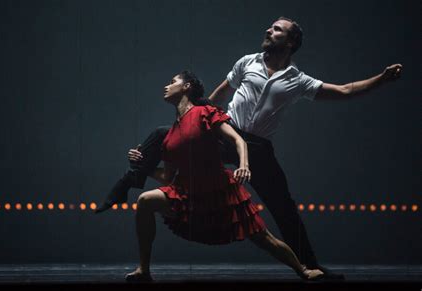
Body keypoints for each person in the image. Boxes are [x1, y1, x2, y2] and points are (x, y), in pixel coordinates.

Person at [96, 16, 402, 280]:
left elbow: (345, 91)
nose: (269, 32)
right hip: (226, 134)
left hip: (258, 148)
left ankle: (311, 266)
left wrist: (382, 79)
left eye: (277, 30)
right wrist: (196, 117)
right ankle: (132, 177)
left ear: (291, 41)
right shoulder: (247, 62)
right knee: (164, 134)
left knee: (284, 208)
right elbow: (217, 95)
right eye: (270, 28)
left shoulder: (297, 79)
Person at [123, 71, 324, 282]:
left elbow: (239, 141)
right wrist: (142, 165)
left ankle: (303, 270)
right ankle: (143, 270)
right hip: (188, 194)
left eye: (172, 82)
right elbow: (167, 177)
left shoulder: (205, 112)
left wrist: (244, 166)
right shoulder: (170, 136)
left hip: (220, 191)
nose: (166, 86)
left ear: (187, 87)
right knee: (145, 201)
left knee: (263, 239)